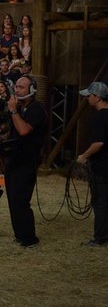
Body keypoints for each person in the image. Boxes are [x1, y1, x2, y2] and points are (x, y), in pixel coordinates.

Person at [5, 75, 48, 248]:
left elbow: (23, 130)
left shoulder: (37, 109)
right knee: (13, 198)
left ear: (32, 90)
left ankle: (29, 239)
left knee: (21, 199)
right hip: (14, 158)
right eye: (16, 87)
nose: (16, 90)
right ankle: (20, 235)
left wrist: (14, 111)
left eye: (21, 87)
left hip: (27, 160)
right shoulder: (20, 108)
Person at [76, 82, 108, 246]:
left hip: (102, 168)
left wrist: (84, 156)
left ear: (98, 97)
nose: (87, 98)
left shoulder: (99, 117)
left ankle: (100, 238)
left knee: (100, 204)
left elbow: (98, 143)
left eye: (89, 95)